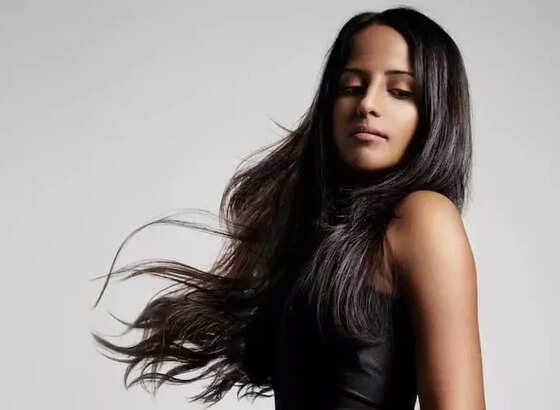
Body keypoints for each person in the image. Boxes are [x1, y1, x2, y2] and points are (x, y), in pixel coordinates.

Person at [91, 6, 486, 410]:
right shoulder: (317, 233)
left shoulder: (424, 217)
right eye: (351, 86)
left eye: (400, 91)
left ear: (435, 111)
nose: (367, 103)